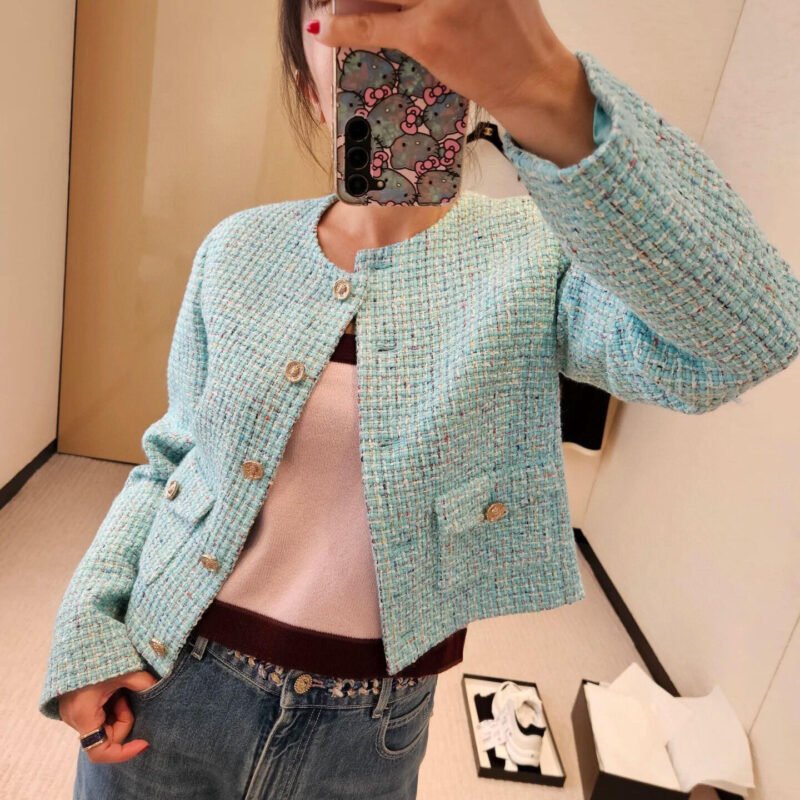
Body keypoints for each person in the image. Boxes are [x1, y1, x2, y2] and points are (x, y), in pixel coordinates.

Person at [40, 1, 800, 799]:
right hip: (170, 684)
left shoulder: (536, 256)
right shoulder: (238, 248)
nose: (386, 29)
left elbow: (747, 339)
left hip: (368, 733)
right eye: (347, 9)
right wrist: (88, 625)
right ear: (308, 84)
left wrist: (548, 90)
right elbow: (171, 457)